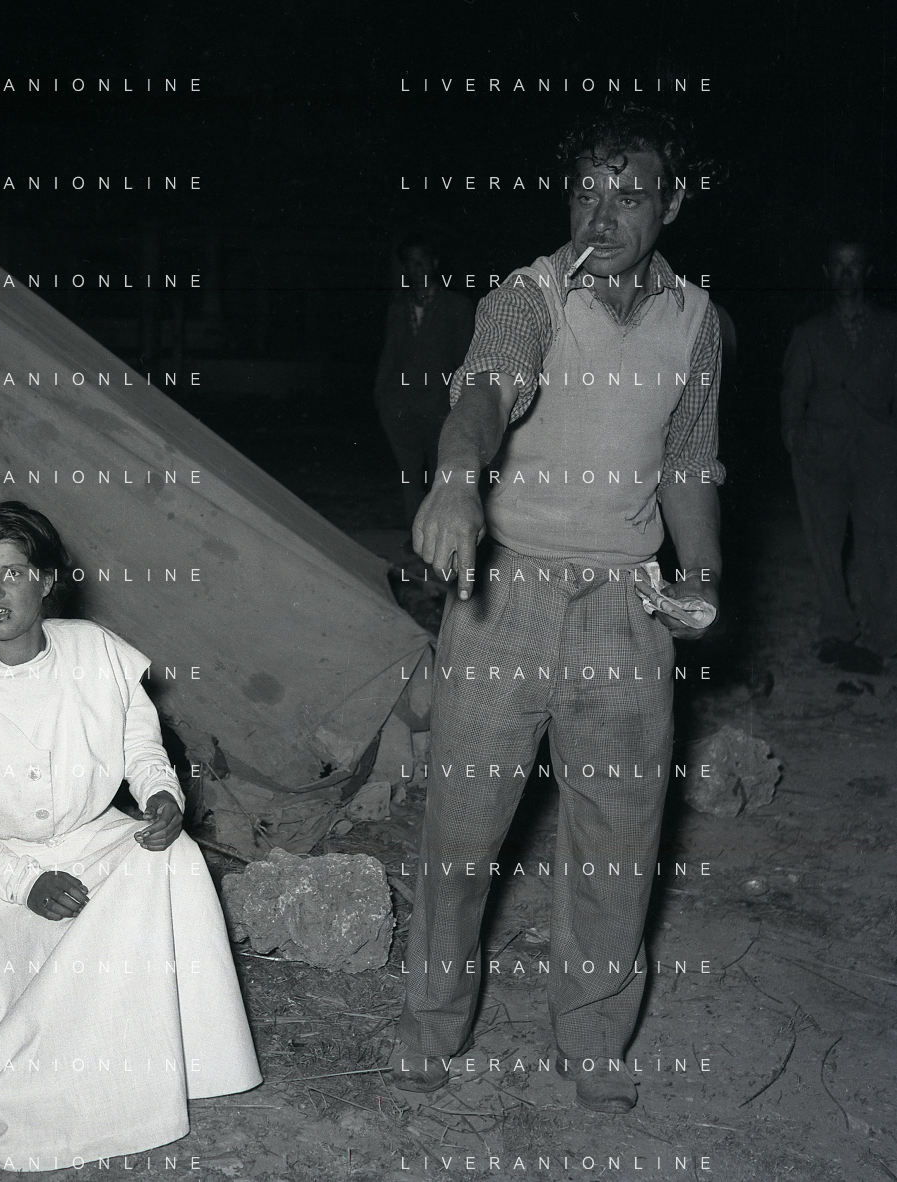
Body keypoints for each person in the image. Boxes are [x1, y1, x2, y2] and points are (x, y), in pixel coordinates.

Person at [389, 105, 723, 1114]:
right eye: (585, 191)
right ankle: (431, 1022)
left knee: (618, 844)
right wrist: (456, 477)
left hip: (626, 608)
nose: (601, 214)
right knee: (460, 835)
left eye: (629, 194)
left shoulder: (697, 322)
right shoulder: (526, 296)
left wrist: (703, 575)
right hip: (506, 599)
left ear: (673, 203)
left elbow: (688, 460)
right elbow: (486, 390)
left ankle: (594, 1038)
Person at [0, 501, 261, 1168]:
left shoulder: (96, 653)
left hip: (89, 839)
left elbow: (141, 748)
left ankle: (185, 1052)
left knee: (172, 858)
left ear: (47, 580)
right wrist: (24, 880)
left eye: (13, 573)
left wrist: (161, 796)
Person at [780, 239, 897, 674]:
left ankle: (885, 632)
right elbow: (792, 395)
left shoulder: (890, 327)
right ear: (827, 272)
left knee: (880, 544)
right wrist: (794, 439)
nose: (847, 273)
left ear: (868, 271)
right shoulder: (809, 332)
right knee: (825, 546)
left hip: (878, 454)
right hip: (820, 455)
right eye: (839, 265)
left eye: (855, 264)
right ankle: (837, 627)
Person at [374, 230, 476, 532]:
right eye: (410, 263)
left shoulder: (457, 306)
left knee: (439, 474)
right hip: (400, 405)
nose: (416, 269)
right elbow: (390, 353)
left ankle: (435, 535)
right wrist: (380, 395)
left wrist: (461, 404)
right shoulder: (398, 306)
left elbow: (464, 359)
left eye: (422, 262)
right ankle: (414, 533)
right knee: (408, 474)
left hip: (440, 406)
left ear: (434, 263)